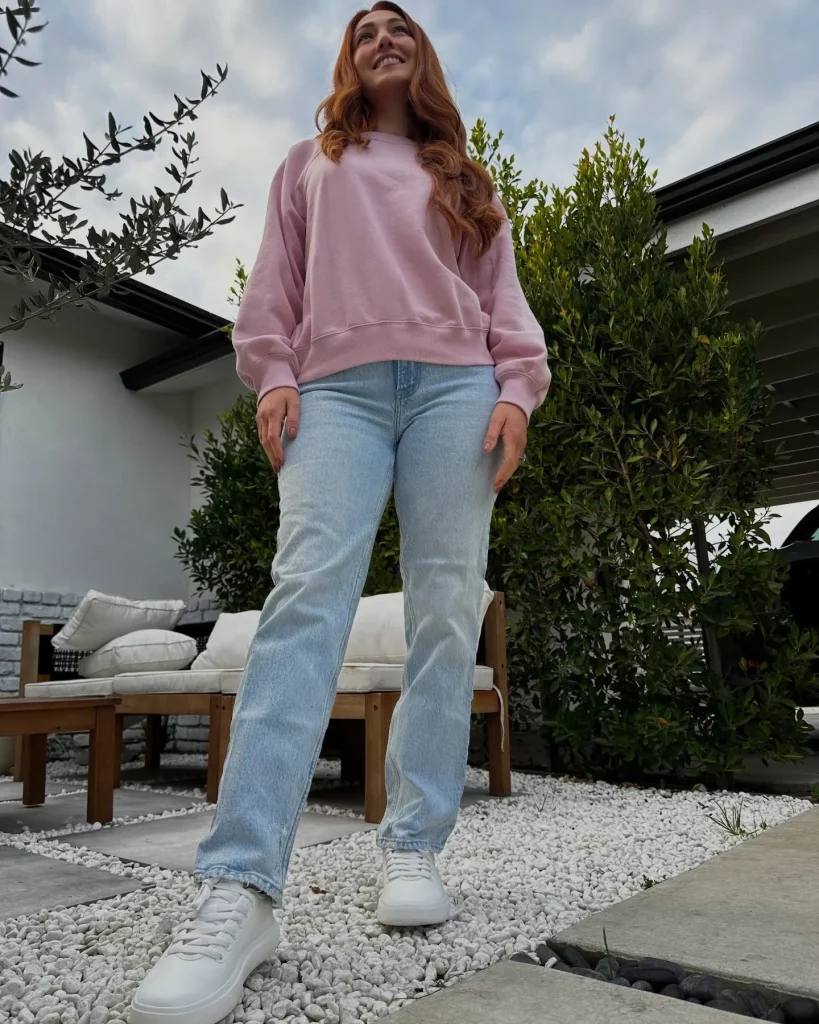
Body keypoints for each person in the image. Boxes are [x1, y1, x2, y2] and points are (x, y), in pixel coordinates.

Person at [130, 3, 550, 1022]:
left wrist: (515, 391)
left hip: (458, 388)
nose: (381, 36)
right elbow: (273, 288)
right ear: (348, 58)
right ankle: (241, 887)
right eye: (363, 29)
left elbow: (504, 301)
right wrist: (272, 376)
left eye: (399, 25)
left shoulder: (463, 175)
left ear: (425, 53)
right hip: (339, 393)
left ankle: (414, 845)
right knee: (304, 605)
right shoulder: (307, 163)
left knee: (448, 605)